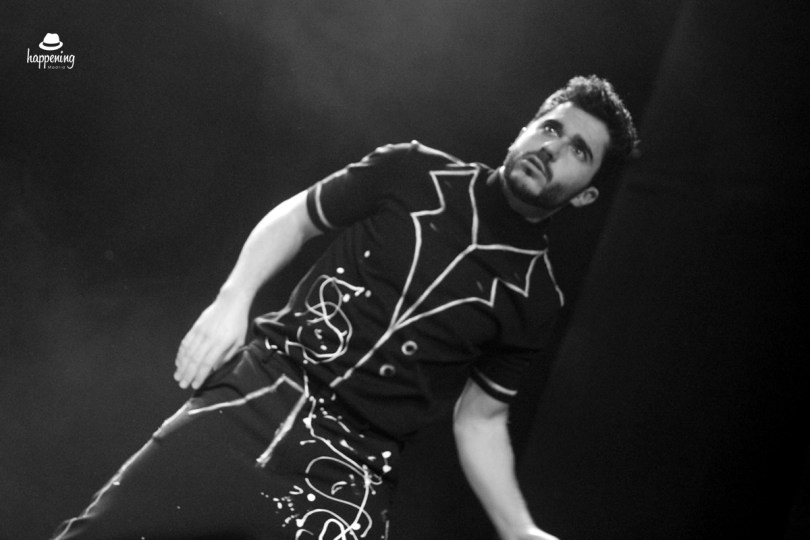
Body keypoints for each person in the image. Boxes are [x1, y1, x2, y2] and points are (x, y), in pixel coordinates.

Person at [51, 75, 638, 540]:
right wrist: (233, 299)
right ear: (525, 129)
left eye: (577, 150)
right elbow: (298, 218)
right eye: (550, 127)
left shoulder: (536, 300)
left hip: (350, 470)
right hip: (257, 394)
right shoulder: (414, 170)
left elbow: (480, 420)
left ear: (586, 194)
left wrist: (518, 528)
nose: (551, 148)